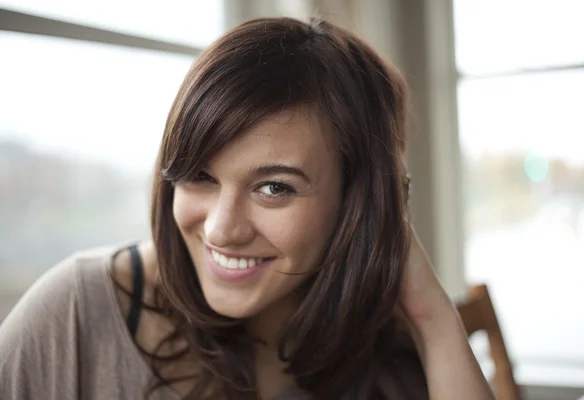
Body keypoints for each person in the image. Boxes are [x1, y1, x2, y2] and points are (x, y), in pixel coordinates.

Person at [0, 17, 493, 400]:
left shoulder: (377, 335)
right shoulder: (76, 310)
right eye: (200, 176)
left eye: (274, 188)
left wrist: (432, 317)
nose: (221, 229)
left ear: (356, 200)